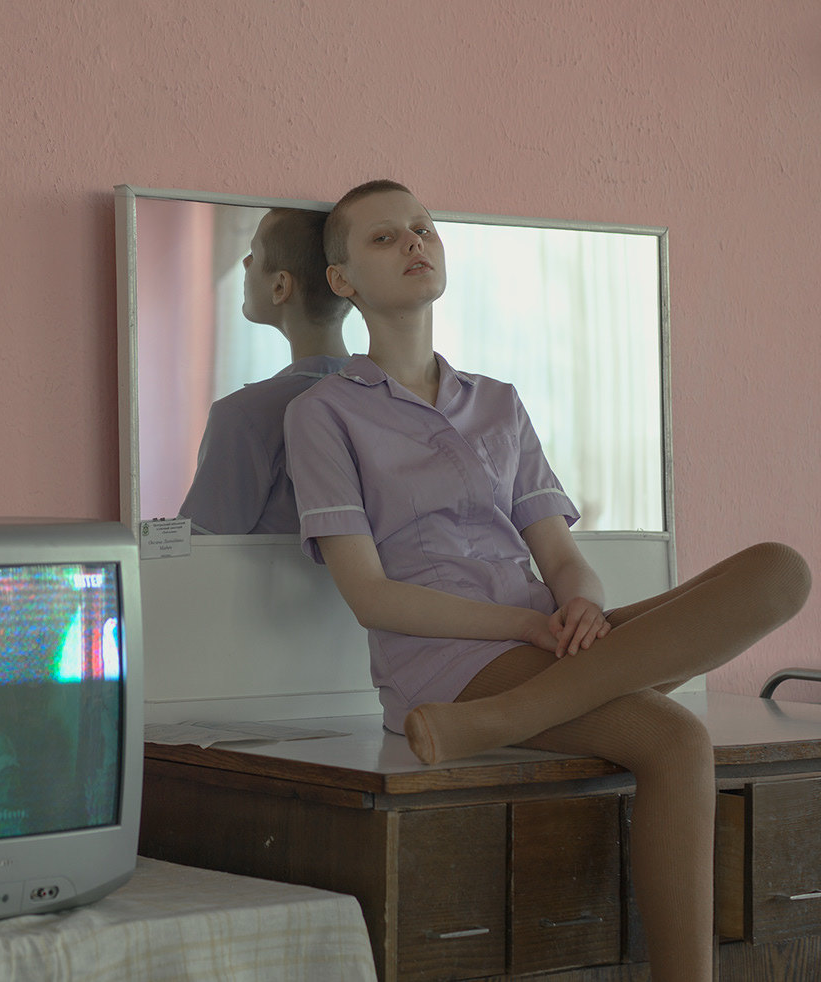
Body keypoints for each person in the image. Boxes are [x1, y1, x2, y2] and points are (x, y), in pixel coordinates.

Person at [283, 179, 811, 982]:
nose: (415, 243)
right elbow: (371, 596)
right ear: (344, 280)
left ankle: (498, 723)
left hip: (542, 645)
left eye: (423, 228)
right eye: (385, 238)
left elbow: (561, 558)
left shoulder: (497, 403)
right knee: (674, 736)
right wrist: (530, 628)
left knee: (782, 571)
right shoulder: (324, 413)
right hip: (443, 660)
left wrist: (580, 607)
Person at [178, 207, 352, 534]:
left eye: (254, 254)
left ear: (279, 286)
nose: (245, 263)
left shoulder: (243, 415)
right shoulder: (386, 392)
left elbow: (197, 556)